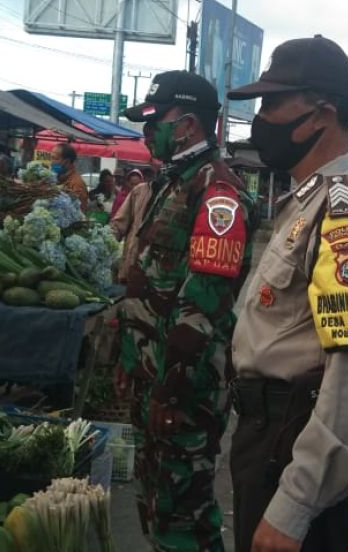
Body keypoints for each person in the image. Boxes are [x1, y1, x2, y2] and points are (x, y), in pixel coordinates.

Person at [227, 35, 348, 552]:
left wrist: (295, 506)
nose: (262, 118)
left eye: (274, 103)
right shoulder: (309, 197)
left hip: (294, 442)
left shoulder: (344, 208)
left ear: (321, 114)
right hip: (272, 436)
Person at [116, 70, 254, 552]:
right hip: (153, 377)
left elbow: (203, 305)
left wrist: (170, 390)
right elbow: (151, 279)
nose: (145, 131)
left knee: (184, 515)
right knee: (155, 503)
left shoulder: (218, 192)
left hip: (184, 388)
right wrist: (128, 361)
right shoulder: (170, 182)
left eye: (154, 120)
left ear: (189, 126)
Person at [110, 171, 151, 276]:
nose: (133, 186)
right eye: (131, 183)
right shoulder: (139, 191)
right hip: (132, 252)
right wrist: (108, 241)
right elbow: (120, 221)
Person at [52, 142, 90, 212]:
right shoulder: (57, 179)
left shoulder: (76, 183)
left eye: (55, 158)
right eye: (51, 158)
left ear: (67, 161)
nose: (52, 162)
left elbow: (80, 212)